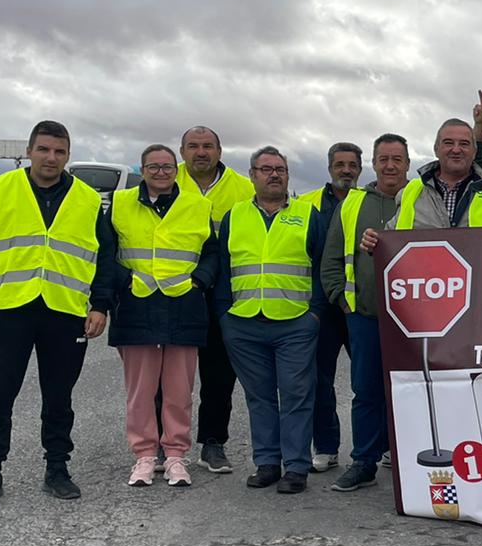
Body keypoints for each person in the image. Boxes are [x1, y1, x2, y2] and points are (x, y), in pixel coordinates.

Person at [0, 120, 115, 504]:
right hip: (9, 310)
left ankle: (58, 468)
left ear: (68, 155)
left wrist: (100, 305)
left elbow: (105, 257)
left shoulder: (87, 199)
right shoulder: (1, 190)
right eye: (44, 149)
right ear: (29, 151)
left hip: (65, 312)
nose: (51, 157)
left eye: (60, 151)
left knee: (59, 397)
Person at [214, 146, 327, 495]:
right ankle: (267, 463)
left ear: (288, 176)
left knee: (296, 394)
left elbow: (323, 266)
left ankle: (295, 467)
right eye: (265, 169)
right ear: (252, 175)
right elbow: (222, 267)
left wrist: (315, 314)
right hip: (244, 321)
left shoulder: (309, 214)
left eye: (280, 169)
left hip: (295, 321)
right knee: (259, 397)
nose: (274, 174)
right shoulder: (235, 216)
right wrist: (224, 316)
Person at [109, 144, 218, 489]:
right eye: (153, 166)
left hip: (183, 306)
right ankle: (144, 455)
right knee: (140, 391)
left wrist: (199, 281)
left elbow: (212, 252)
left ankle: (175, 455)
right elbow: (103, 250)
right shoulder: (120, 203)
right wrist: (123, 281)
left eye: (167, 166)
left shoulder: (198, 205)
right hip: (136, 306)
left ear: (177, 169)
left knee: (178, 390)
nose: (161, 172)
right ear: (142, 170)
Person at [321, 134, 409, 492]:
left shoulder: (422, 197)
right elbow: (331, 259)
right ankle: (364, 461)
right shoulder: (353, 204)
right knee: (366, 390)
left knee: (414, 390)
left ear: (407, 163)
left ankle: (407, 458)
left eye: (397, 159)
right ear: (374, 163)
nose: (390, 166)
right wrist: (342, 301)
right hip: (366, 315)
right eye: (383, 159)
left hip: (417, 318)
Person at [177, 126, 256, 474]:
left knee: (219, 375)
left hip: (223, 292)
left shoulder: (243, 188)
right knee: (170, 376)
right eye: (193, 146)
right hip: (174, 292)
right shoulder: (166, 180)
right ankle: (167, 444)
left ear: (220, 151)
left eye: (208, 146)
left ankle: (213, 443)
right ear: (182, 152)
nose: (201, 152)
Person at [301, 141, 362, 474]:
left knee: (367, 381)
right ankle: (325, 447)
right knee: (318, 380)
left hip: (358, 304)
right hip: (320, 306)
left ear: (360, 169)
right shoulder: (307, 204)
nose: (346, 171)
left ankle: (378, 447)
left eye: (352, 165)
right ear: (329, 168)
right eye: (340, 165)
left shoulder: (365, 201)